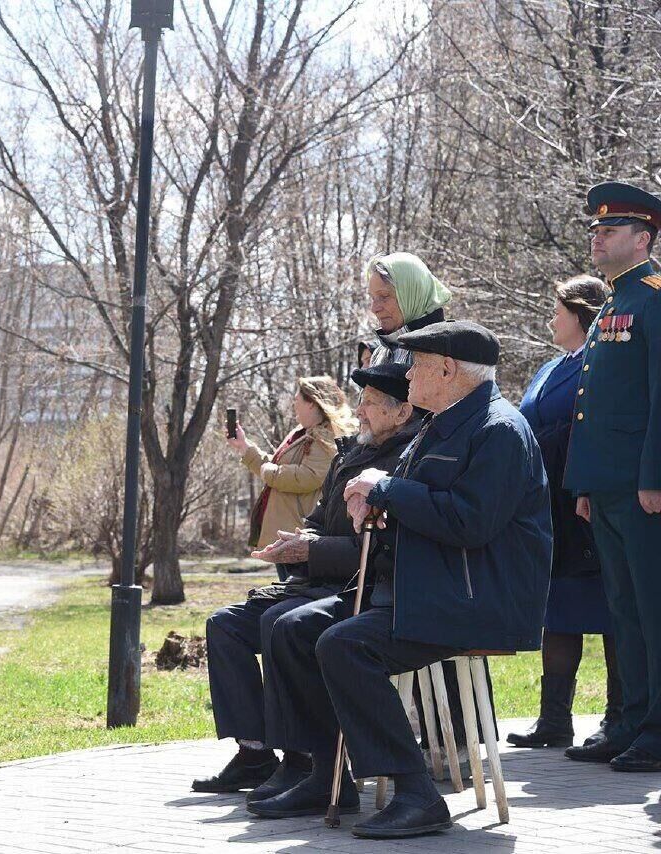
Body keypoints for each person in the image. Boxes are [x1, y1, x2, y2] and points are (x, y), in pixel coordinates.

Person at [255, 321, 550, 839]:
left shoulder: (497, 429)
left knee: (346, 646)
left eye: (416, 364)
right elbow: (424, 508)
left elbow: (471, 522)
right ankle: (327, 775)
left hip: (469, 597)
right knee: (296, 629)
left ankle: (417, 792)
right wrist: (372, 508)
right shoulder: (444, 423)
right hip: (422, 585)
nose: (408, 374)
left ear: (447, 369)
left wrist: (387, 489)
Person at [192, 362, 423, 797]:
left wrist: (311, 550)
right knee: (224, 623)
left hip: (358, 589)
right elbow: (320, 519)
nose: (360, 410)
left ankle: (307, 761)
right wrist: (297, 541)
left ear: (402, 411)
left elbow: (379, 550)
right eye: (362, 401)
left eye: (371, 403)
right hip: (317, 579)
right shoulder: (352, 453)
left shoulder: (403, 463)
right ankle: (255, 752)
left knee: (282, 625)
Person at [564, 182, 661, 771]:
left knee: (652, 608)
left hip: (643, 487)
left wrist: (654, 476)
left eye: (610, 230)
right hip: (609, 485)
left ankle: (657, 726)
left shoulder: (653, 298)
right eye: (595, 230)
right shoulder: (613, 301)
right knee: (624, 609)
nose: (597, 238)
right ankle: (631, 719)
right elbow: (592, 403)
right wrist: (585, 484)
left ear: (644, 237)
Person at [508, 275, 621, 749]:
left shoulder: (601, 362)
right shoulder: (551, 368)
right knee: (558, 608)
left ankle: (620, 716)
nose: (550, 318)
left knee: (611, 611)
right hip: (547, 505)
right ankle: (554, 720)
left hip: (585, 503)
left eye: (557, 310)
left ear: (581, 314)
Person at [227, 377, 354, 556]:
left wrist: (269, 472)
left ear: (311, 403)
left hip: (298, 534)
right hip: (288, 532)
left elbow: (309, 476)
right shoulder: (302, 432)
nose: (294, 405)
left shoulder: (325, 436)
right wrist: (244, 446)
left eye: (297, 400)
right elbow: (277, 466)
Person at [365, 252, 452, 366]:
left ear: (413, 294)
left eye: (384, 296)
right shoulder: (380, 354)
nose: (374, 308)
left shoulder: (445, 350)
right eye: (373, 298)